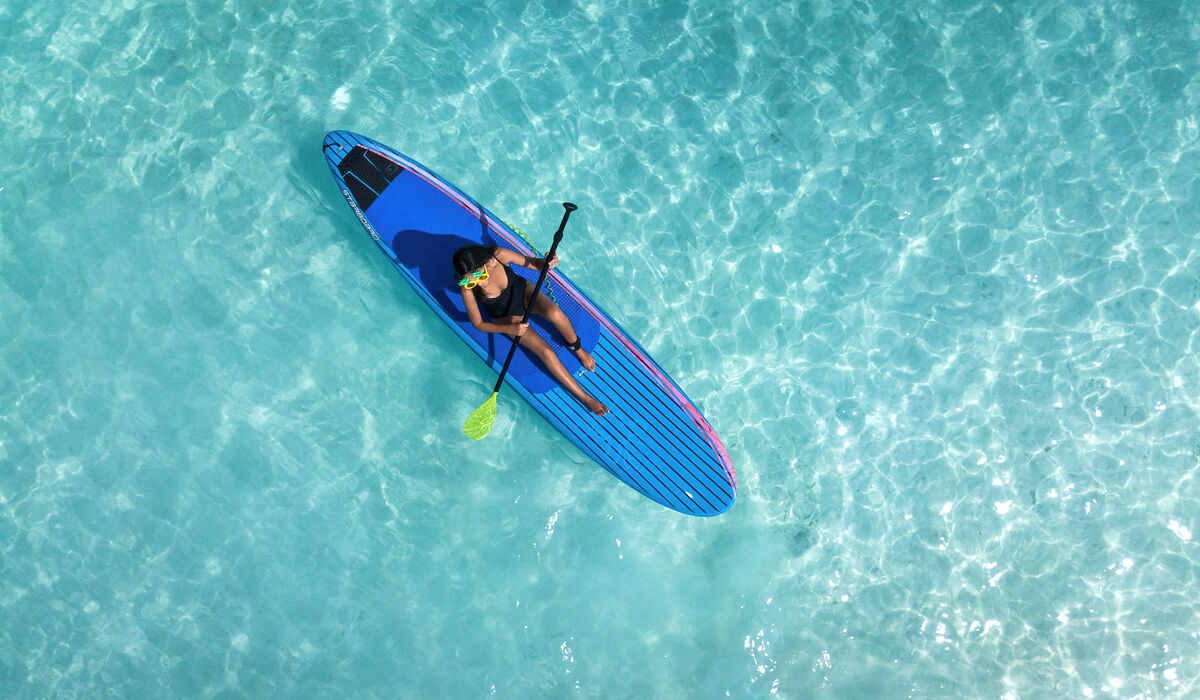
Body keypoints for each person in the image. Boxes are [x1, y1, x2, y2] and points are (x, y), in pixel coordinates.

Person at [453, 245, 609, 416]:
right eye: (469, 280)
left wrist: (548, 262)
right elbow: (479, 324)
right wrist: (509, 328)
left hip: (524, 293)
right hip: (507, 318)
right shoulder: (467, 288)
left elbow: (535, 264)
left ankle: (578, 349)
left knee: (555, 313)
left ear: (488, 263)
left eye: (479, 275)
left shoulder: (499, 256)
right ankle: (585, 398)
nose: (479, 283)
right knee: (546, 352)